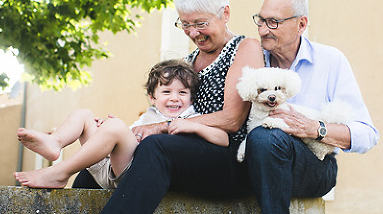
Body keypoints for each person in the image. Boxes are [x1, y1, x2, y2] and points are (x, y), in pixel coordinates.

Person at [28, 0, 264, 214]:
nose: (193, 33)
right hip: (184, 155)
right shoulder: (190, 62)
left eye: (200, 23)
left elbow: (231, 119)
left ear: (225, 13)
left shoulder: (245, 47)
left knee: (155, 147)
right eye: (185, 25)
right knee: (99, 163)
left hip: (226, 158)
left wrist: (165, 127)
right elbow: (162, 110)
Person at [245, 0, 378, 214]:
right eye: (260, 21)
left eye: (274, 22)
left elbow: (367, 134)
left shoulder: (331, 60)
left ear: (301, 24)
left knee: (269, 139)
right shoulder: (253, 61)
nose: (264, 30)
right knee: (261, 140)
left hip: (315, 165)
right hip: (256, 157)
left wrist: (315, 129)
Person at [13, 60, 228, 189]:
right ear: (152, 97)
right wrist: (106, 129)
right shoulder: (149, 115)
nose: (175, 98)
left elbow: (224, 138)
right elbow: (128, 138)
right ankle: (55, 142)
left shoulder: (191, 116)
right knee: (85, 115)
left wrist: (194, 126)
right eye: (166, 92)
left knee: (115, 127)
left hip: (132, 175)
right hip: (108, 168)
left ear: (191, 98)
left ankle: (60, 173)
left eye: (182, 92)